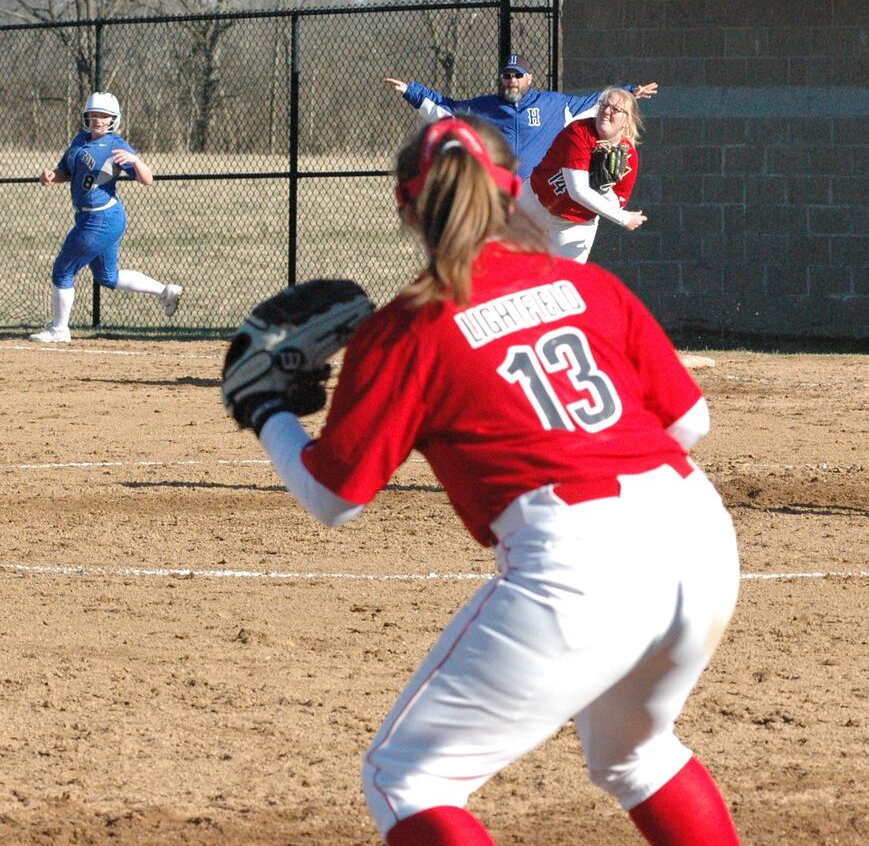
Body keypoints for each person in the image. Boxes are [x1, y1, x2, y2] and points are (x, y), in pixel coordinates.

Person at [250, 116, 742, 845]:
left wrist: (267, 411)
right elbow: (688, 423)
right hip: (698, 536)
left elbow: (335, 496)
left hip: (577, 561)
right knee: (633, 752)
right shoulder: (584, 283)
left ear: (404, 206)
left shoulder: (410, 324)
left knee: (409, 778)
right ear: (514, 190)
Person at [29, 91, 183, 343]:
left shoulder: (116, 145)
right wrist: (50, 176)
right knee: (107, 277)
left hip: (100, 220)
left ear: (114, 119)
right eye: (93, 115)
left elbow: (147, 179)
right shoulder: (79, 141)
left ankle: (59, 330)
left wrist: (135, 160)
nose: (98, 120)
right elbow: (65, 172)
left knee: (62, 271)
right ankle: (164, 291)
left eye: (104, 116)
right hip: (99, 218)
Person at [383, 53, 659, 178]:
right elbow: (444, 109)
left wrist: (630, 92)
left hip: (538, 197)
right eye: (507, 75)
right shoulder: (482, 108)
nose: (512, 80)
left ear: (530, 79)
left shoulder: (552, 105)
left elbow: (596, 102)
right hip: (497, 195)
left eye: (518, 75)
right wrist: (411, 90)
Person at [516, 86, 646, 263]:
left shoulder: (629, 156)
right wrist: (624, 219)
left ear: (627, 121)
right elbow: (577, 190)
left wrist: (603, 188)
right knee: (502, 269)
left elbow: (616, 204)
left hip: (573, 225)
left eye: (615, 109)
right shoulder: (579, 131)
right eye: (603, 105)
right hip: (532, 206)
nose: (606, 111)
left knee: (563, 281)